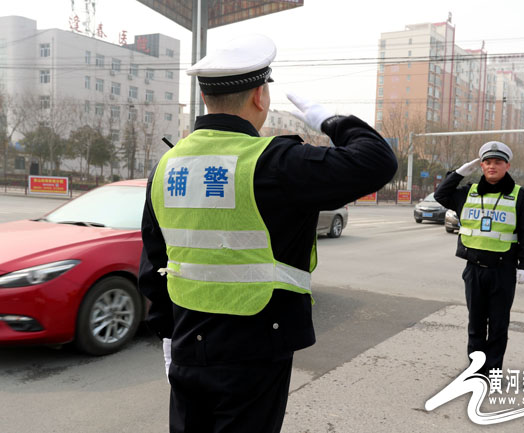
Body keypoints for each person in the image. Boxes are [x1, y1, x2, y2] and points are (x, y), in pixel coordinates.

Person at [137, 34, 397, 433]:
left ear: (206, 97)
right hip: (254, 353)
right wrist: (329, 120)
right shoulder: (274, 163)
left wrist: (169, 337)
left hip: (189, 346)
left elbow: (155, 264)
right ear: (260, 96)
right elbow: (377, 161)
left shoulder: (167, 165)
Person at [434, 141, 524, 376]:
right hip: (474, 269)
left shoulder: (518, 194)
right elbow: (440, 194)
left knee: (498, 325)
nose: (492, 166)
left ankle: (493, 371)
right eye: (487, 162)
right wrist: (459, 173)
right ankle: (476, 371)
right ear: (481, 165)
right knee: (476, 325)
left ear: (507, 165)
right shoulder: (468, 192)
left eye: (497, 162)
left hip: (503, 270)